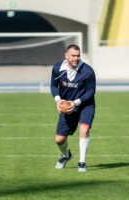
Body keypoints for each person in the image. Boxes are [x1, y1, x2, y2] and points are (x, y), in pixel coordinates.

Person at [50, 44, 96, 172]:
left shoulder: (88, 71)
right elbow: (54, 86)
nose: (76, 58)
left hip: (85, 104)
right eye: (73, 56)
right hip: (67, 107)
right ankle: (66, 155)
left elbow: (91, 91)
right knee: (59, 140)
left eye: (78, 56)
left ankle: (82, 162)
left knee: (84, 129)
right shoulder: (57, 68)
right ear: (66, 55)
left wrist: (75, 103)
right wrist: (58, 101)